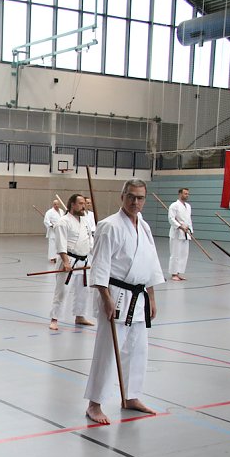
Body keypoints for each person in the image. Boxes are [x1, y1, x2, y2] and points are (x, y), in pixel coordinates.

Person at [84, 179, 165, 425]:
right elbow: (99, 266)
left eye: (140, 198)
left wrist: (151, 296)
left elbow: (150, 263)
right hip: (116, 296)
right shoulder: (108, 226)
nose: (135, 202)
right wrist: (105, 298)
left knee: (138, 350)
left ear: (145, 199)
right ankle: (94, 404)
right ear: (122, 197)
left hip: (139, 297)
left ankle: (130, 396)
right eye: (131, 196)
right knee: (108, 352)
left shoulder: (145, 227)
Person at [49, 194, 94, 331]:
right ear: (72, 205)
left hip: (84, 261)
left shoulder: (85, 220)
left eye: (84, 204)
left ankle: (80, 316)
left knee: (83, 290)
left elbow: (89, 240)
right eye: (80, 203)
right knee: (62, 291)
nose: (83, 206)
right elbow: (61, 243)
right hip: (69, 260)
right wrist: (65, 261)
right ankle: (54, 319)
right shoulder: (64, 221)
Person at [168, 188, 192, 281]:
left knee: (183, 254)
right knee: (175, 254)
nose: (187, 195)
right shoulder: (174, 205)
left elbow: (189, 219)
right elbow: (171, 219)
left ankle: (178, 272)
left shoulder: (188, 206)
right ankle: (174, 273)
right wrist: (180, 226)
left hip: (186, 233)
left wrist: (190, 230)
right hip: (177, 233)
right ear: (180, 194)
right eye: (185, 193)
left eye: (188, 194)